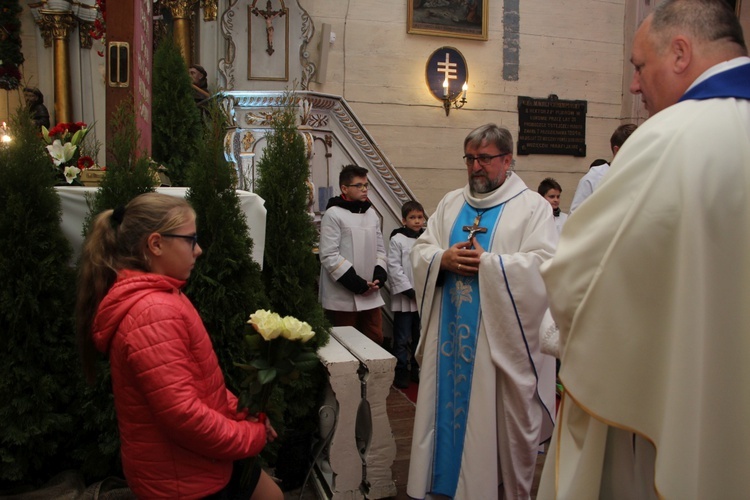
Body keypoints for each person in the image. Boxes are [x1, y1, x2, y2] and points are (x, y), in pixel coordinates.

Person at [538, 1, 750, 498]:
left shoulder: (668, 139)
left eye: (638, 67)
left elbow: (582, 280)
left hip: (679, 408)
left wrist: (557, 331)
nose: (634, 85)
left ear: (680, 53)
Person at [75, 193, 282, 500]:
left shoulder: (164, 295)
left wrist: (240, 413)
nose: (198, 250)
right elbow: (184, 417)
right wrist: (250, 436)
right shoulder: (152, 312)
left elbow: (197, 382)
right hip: (183, 479)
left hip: (198, 461)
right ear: (155, 244)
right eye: (190, 240)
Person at [407, 124, 558, 499]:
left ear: (507, 160)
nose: (476, 167)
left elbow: (546, 265)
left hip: (498, 349)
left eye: (485, 159)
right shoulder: (451, 203)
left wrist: (489, 265)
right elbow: (421, 250)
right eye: (470, 158)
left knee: (494, 425)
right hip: (449, 334)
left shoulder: (532, 207)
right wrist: (442, 258)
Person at [319, 164, 387, 344]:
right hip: (343, 293)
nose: (364, 190)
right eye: (359, 185)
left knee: (375, 339)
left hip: (370, 291)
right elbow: (329, 255)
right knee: (344, 343)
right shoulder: (333, 214)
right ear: (344, 188)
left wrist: (380, 274)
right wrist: (356, 283)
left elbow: (380, 248)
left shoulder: (371, 214)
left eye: (366, 185)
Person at [387, 200, 425, 389]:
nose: (417, 221)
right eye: (412, 218)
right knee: (401, 338)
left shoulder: (428, 239)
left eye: (419, 217)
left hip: (422, 297)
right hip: (405, 297)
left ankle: (416, 370)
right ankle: (400, 370)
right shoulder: (398, 239)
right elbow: (394, 267)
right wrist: (409, 291)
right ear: (404, 220)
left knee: (420, 337)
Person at [569, 123, 637, 213]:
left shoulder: (645, 175)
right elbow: (576, 218)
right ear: (617, 150)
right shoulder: (593, 179)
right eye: (635, 149)